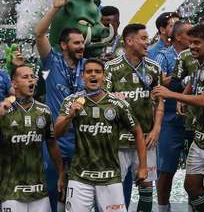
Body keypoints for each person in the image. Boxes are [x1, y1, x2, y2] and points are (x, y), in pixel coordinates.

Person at [151, 24, 204, 212]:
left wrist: (173, 95)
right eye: (191, 43)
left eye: (198, 43)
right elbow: (197, 80)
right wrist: (186, 94)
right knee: (191, 185)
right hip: (201, 133)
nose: (193, 47)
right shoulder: (199, 60)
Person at [54, 58, 147, 212]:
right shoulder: (71, 101)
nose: (93, 75)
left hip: (110, 177)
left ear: (104, 76)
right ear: (82, 76)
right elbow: (56, 133)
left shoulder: (118, 104)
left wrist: (143, 166)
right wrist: (70, 116)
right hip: (80, 177)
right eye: (89, 72)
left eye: (97, 72)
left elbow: (138, 133)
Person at [34, 0, 86, 211]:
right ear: (64, 45)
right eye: (76, 43)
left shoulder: (90, 69)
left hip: (82, 141)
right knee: (52, 191)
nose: (82, 46)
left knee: (78, 194)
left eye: (83, 42)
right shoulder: (52, 61)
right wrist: (55, 9)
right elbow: (39, 34)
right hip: (54, 140)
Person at [104, 23, 164, 212]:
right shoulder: (111, 68)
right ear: (129, 41)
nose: (148, 43)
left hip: (146, 138)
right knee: (115, 189)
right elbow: (103, 101)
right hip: (118, 140)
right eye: (144, 39)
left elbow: (159, 102)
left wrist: (156, 129)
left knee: (146, 187)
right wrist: (113, 99)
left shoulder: (154, 68)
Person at [0, 64, 65, 212]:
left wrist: (61, 172)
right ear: (14, 83)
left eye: (32, 77)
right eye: (25, 77)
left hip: (39, 191)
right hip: (11, 192)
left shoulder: (44, 111)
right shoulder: (3, 111)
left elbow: (52, 144)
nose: (31, 80)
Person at [153, 20, 192, 212]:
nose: (194, 38)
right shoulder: (164, 56)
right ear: (178, 37)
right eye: (190, 34)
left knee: (197, 171)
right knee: (166, 169)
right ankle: (162, 208)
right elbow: (157, 83)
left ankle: (194, 206)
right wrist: (180, 77)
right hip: (169, 119)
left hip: (193, 119)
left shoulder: (196, 55)